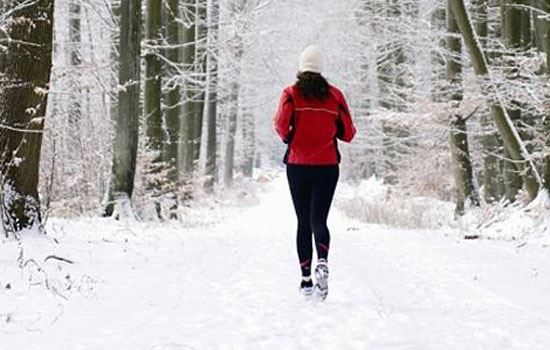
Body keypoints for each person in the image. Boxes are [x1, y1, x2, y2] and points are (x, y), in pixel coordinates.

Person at [273, 45, 356, 300]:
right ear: (321, 69)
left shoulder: (290, 94)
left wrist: (291, 137)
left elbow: (280, 125)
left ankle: (306, 280)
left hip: (298, 166)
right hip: (327, 166)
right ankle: (323, 260)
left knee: (302, 222)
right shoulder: (335, 96)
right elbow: (349, 132)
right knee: (319, 220)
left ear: (301, 67)